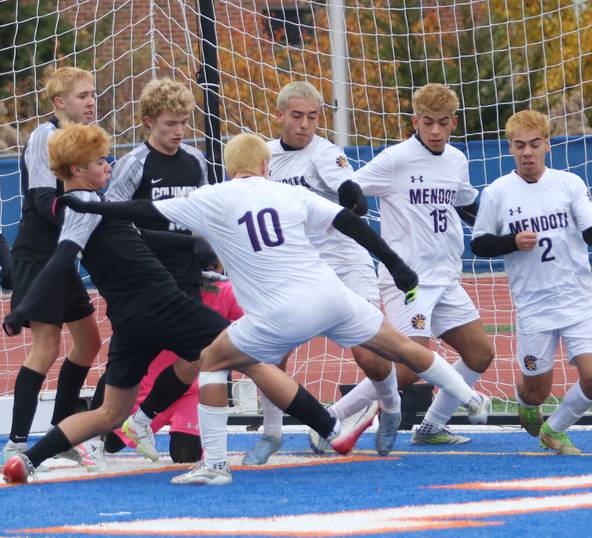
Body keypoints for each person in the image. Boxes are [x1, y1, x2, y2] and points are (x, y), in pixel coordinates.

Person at [59, 132, 491, 485]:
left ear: (230, 169)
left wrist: (85, 204)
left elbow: (139, 208)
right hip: (332, 296)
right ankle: (470, 397)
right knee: (402, 347)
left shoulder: (215, 196)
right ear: (266, 166)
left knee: (210, 360)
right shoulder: (287, 194)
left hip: (279, 313)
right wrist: (398, 267)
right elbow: (350, 221)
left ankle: (215, 465)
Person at [1, 124, 352, 484]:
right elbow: (61, 260)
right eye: (99, 161)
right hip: (161, 303)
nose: (108, 165)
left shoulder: (95, 205)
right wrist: (24, 310)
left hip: (129, 318)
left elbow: (140, 237)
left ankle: (28, 460)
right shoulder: (86, 205)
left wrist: (192, 244)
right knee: (252, 360)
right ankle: (331, 427)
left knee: (110, 411)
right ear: (76, 170)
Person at [316, 83, 495, 447]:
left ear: (453, 124)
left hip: (446, 277)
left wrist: (503, 225)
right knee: (412, 364)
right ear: (415, 120)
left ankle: (431, 426)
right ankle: (330, 417)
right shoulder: (395, 159)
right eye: (427, 122)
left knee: (480, 354)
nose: (434, 130)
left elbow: (465, 202)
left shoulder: (457, 160)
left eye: (442, 123)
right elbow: (350, 188)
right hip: (407, 279)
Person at [243, 81, 402, 464]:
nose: (305, 125)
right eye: (297, 116)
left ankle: (392, 407)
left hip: (346, 263)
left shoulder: (326, 153)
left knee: (371, 351)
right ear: (280, 115)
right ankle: (271, 433)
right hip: (297, 267)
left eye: (313, 117)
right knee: (268, 351)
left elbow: (346, 185)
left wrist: (353, 197)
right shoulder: (263, 156)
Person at [471, 110, 592, 455]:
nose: (528, 152)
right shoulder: (497, 193)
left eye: (535, 144)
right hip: (534, 306)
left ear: (547, 145)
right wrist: (511, 241)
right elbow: (479, 244)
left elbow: (590, 233)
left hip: (578, 299)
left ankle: (555, 430)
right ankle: (525, 401)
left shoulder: (569, 183)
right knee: (536, 393)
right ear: (510, 148)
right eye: (520, 145)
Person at [90, 78, 213, 462]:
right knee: (129, 359)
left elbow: (207, 214)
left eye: (183, 122)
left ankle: (141, 420)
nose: (178, 131)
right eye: (169, 124)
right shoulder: (133, 165)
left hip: (186, 274)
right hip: (144, 279)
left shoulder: (196, 160)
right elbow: (113, 221)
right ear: (148, 122)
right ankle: (95, 436)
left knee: (198, 356)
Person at [2, 67, 102, 467]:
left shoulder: (83, 139)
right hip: (39, 254)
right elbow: (44, 202)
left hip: (62, 253)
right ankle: (17, 441)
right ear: (59, 102)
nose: (91, 101)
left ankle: (61, 430)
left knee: (90, 341)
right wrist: (89, 215)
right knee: (46, 347)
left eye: (93, 94)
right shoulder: (45, 137)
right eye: (82, 96)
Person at [103, 266, 243, 464]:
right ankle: (88, 432)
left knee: (185, 456)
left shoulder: (226, 292)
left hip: (192, 392)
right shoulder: (164, 292)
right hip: (148, 387)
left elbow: (254, 325)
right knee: (111, 444)